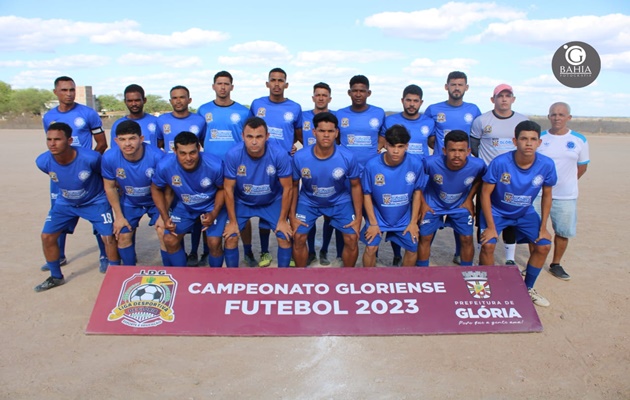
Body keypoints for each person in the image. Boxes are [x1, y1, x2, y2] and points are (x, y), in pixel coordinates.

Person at [478, 120, 557, 307]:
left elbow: (547, 195)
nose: (528, 143)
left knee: (544, 245)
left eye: (533, 139)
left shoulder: (546, 164)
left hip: (525, 212)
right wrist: (490, 226)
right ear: (515, 141)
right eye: (523, 139)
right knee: (488, 245)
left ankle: (527, 288)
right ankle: (486, 289)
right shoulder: (500, 163)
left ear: (539, 142)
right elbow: (485, 194)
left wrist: (544, 227)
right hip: (497, 212)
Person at [35, 122, 120, 292]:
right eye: (49, 139)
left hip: (95, 201)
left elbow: (104, 176)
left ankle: (116, 276)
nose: (52, 143)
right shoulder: (42, 161)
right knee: (47, 236)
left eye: (57, 139)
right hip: (65, 202)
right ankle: (56, 276)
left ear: (70, 140)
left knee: (109, 237)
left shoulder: (91, 158)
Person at [42, 76, 109, 272]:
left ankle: (104, 255)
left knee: (98, 215)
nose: (69, 94)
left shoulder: (88, 113)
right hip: (62, 175)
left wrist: (86, 165)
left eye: (71, 90)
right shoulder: (48, 117)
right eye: (64, 90)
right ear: (56, 92)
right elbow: (52, 143)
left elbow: (102, 143)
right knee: (58, 212)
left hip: (86, 176)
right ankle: (59, 255)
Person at [197, 71, 256, 267]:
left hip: (238, 169)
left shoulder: (243, 112)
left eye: (226, 84)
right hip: (211, 169)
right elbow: (199, 138)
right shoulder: (203, 110)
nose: (222, 87)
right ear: (213, 86)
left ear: (232, 86)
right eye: (219, 83)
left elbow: (250, 137)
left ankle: (247, 250)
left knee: (241, 211)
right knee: (210, 208)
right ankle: (208, 250)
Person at [424, 71, 481, 265]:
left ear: (466, 87)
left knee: (462, 218)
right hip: (440, 165)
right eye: (453, 84)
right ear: (446, 86)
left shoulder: (473, 110)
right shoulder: (433, 109)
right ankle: (422, 266)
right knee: (427, 227)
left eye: (460, 84)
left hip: (462, 167)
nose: (456, 87)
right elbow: (429, 135)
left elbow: (476, 137)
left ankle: (461, 258)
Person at [291, 112, 362, 268]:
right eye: (322, 131)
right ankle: (299, 277)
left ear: (336, 133)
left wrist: (358, 217)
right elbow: (294, 186)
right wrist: (292, 215)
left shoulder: (348, 157)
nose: (326, 135)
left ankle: (347, 277)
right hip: (309, 200)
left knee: (351, 239)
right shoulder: (300, 157)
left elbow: (356, 186)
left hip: (339, 200)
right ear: (314, 132)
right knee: (298, 237)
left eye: (330, 131)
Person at [249, 67, 303, 267]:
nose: (277, 84)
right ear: (267, 83)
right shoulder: (257, 104)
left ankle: (286, 251)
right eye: (273, 80)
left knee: (285, 208)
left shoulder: (295, 107)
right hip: (260, 165)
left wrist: (297, 150)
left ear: (286, 84)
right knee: (264, 210)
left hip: (284, 166)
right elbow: (249, 129)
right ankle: (264, 251)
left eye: (281, 80)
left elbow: (299, 134)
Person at [470, 84, 529, 267]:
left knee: (510, 217)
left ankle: (509, 257)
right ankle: (483, 250)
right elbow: (474, 145)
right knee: (484, 215)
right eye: (500, 96)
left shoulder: (521, 121)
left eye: (507, 95)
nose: (504, 99)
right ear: (492, 99)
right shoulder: (482, 120)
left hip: (513, 180)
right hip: (488, 178)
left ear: (513, 99)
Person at [222, 117, 293, 268]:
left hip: (271, 201)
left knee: (284, 236)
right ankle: (231, 279)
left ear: (267, 136)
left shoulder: (279, 154)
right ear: (243, 136)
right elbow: (228, 188)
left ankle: (285, 280)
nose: (254, 141)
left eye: (259, 137)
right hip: (242, 201)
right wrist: (232, 222)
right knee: (230, 237)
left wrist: (282, 220)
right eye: (250, 136)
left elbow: (288, 187)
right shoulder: (233, 154)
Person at [151, 131, 227, 268]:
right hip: (185, 206)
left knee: (214, 243)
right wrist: (164, 216)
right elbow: (155, 188)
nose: (188, 158)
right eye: (183, 153)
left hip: (211, 205)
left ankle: (216, 280)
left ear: (199, 148)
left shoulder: (214, 164)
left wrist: (214, 212)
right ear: (174, 151)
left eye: (192, 152)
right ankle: (182, 277)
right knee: (169, 239)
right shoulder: (165, 166)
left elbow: (223, 189)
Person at [534, 102, 589, 280]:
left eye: (561, 114)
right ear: (548, 116)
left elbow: (581, 167)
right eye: (553, 114)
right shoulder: (540, 138)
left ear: (569, 117)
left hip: (565, 194)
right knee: (534, 229)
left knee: (563, 231)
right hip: (539, 194)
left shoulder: (579, 140)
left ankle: (556, 264)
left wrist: (564, 182)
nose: (557, 118)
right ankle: (533, 263)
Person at [381, 84, 434, 266]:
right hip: (396, 176)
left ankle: (416, 258)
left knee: (419, 217)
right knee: (396, 211)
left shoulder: (429, 122)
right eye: (408, 100)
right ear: (402, 101)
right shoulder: (390, 120)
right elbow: (382, 144)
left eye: (415, 101)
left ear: (421, 102)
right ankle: (397, 253)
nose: (412, 104)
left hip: (421, 177)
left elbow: (436, 145)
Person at [102, 120, 166, 266]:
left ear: (141, 139)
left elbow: (168, 188)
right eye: (123, 139)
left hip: (155, 201)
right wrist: (118, 216)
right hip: (130, 201)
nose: (127, 144)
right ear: (116, 141)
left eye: (132, 138)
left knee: (164, 233)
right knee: (123, 235)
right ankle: (129, 272)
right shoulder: (109, 157)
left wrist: (164, 214)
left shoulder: (157, 156)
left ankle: (170, 271)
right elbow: (110, 187)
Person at [418, 130, 486, 267]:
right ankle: (422, 272)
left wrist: (469, 198)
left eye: (461, 150)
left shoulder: (478, 165)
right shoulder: (429, 163)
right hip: (433, 204)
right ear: (444, 150)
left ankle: (467, 272)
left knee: (467, 238)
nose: (456, 155)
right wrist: (423, 203)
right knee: (425, 237)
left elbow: (481, 179)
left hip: (460, 205)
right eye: (452, 150)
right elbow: (416, 183)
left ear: (468, 151)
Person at [361, 125, 426, 267]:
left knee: (413, 247)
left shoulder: (415, 164)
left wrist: (413, 222)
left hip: (403, 217)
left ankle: (404, 281)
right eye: (392, 146)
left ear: (407, 146)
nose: (396, 151)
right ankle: (368, 282)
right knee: (371, 248)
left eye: (400, 146)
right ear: (385, 145)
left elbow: (417, 193)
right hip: (378, 215)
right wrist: (372, 223)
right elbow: (366, 195)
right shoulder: (372, 166)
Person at [156, 85, 208, 266]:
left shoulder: (199, 120)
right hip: (173, 175)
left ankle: (195, 252)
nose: (178, 100)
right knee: (177, 217)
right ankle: (181, 255)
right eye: (175, 98)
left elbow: (201, 144)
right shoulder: (161, 120)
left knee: (197, 215)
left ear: (189, 100)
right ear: (170, 101)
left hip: (193, 172)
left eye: (182, 97)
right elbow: (159, 144)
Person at [301, 82, 341, 266]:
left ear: (329, 98)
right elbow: (295, 134)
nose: (321, 98)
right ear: (313, 97)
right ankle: (310, 251)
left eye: (325, 95)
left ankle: (324, 249)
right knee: (308, 212)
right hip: (310, 167)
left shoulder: (335, 118)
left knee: (330, 215)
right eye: (318, 94)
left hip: (331, 168)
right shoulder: (303, 117)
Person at [109, 84, 158, 149]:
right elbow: (115, 149)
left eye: (137, 100)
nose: (134, 104)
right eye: (130, 101)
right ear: (125, 102)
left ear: (144, 100)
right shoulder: (118, 124)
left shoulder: (157, 121)